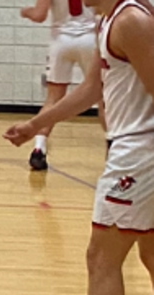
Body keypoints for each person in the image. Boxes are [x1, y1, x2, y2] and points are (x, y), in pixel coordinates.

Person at [5, 0, 154, 295]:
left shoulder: (131, 20)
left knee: (101, 257)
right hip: (137, 150)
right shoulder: (108, 20)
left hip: (140, 153)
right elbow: (90, 90)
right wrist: (36, 125)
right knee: (150, 255)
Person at [20, 0, 99, 170]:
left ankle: (39, 148)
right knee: (103, 96)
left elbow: (39, 15)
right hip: (90, 39)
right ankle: (114, 142)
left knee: (53, 98)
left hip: (61, 41)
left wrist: (26, 12)